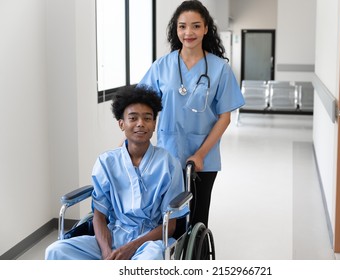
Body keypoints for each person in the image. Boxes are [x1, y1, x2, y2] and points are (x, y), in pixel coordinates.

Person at [45, 85, 187, 260]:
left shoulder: (168, 164)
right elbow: (99, 215)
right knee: (55, 251)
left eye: (147, 118)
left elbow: (170, 225)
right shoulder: (106, 162)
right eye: (133, 118)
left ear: (154, 124)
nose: (140, 123)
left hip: (150, 241)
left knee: (149, 262)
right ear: (122, 124)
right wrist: (107, 253)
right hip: (113, 235)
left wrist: (131, 247)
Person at [138, 0, 245, 228]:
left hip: (202, 161)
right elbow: (144, 108)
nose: (189, 32)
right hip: (166, 156)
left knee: (196, 219)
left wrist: (200, 154)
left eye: (196, 26)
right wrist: (131, 142)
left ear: (206, 29)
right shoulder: (162, 66)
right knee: (166, 221)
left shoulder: (219, 68)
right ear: (176, 30)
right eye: (182, 26)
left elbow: (224, 117)